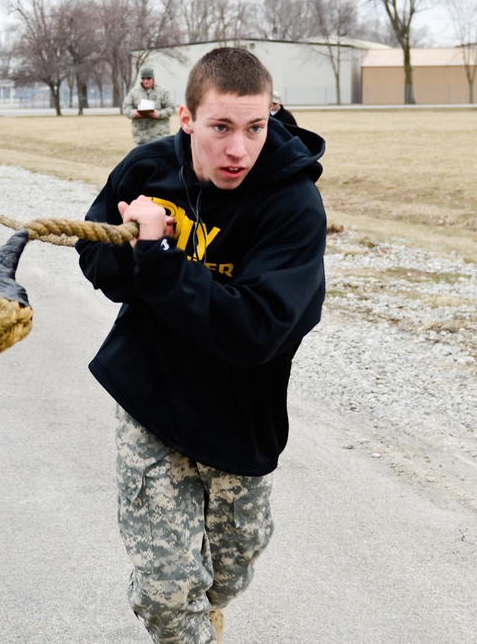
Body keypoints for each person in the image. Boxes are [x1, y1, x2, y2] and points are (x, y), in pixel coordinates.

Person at [75, 47, 326, 644]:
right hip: (152, 398)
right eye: (220, 128)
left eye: (255, 128)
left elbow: (255, 330)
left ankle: (194, 600)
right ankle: (172, 605)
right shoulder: (148, 168)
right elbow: (95, 261)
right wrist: (130, 244)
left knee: (230, 570)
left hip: (240, 415)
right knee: (168, 590)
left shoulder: (292, 205)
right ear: (186, 119)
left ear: (272, 116)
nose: (238, 149)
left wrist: (160, 262)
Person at [122, 65, 176, 146]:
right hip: (141, 136)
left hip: (159, 135)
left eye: (148, 78)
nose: (145, 81)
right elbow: (126, 107)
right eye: (143, 79)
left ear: (153, 79)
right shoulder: (134, 92)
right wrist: (134, 113)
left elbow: (171, 107)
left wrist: (159, 114)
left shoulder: (162, 91)